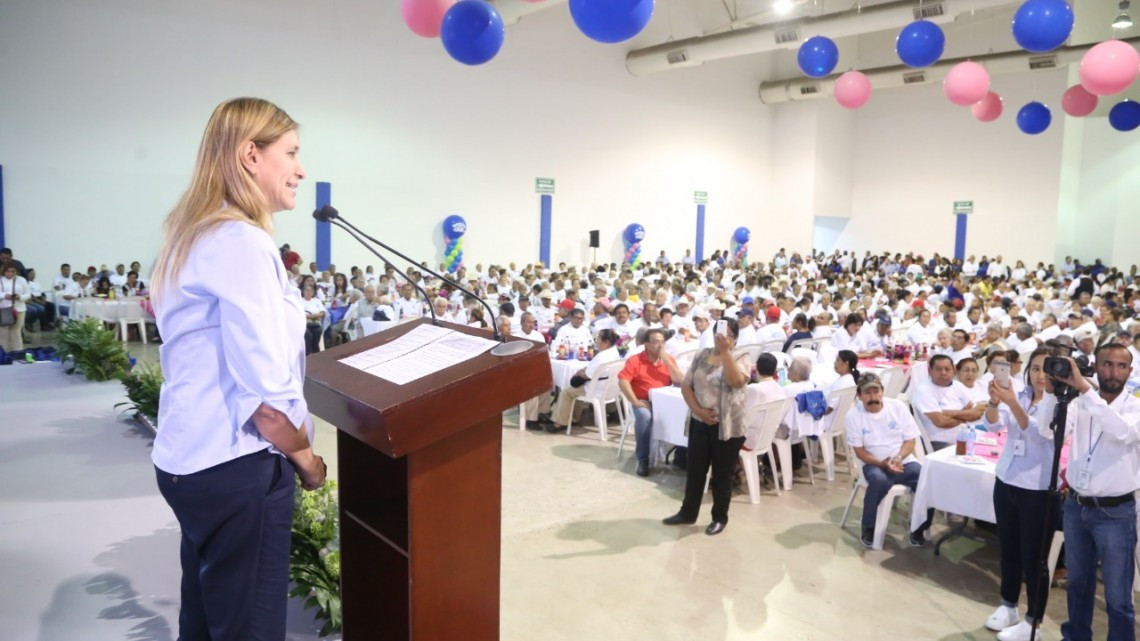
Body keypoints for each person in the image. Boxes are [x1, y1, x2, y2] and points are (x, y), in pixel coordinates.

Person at [148, 98, 326, 641]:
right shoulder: (241, 242)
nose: (301, 169)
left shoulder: (191, 233)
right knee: (248, 627)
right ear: (251, 155)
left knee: (206, 618)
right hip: (236, 464)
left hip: (188, 459)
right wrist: (309, 461)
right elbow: (268, 400)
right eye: (291, 153)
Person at [1049, 344, 1140, 641]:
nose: (1113, 372)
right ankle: (1075, 636)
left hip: (1115, 513)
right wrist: (1055, 394)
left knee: (1117, 596)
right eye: (1107, 364)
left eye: (1121, 366)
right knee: (1078, 584)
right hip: (1076, 505)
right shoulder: (1079, 401)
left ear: (1130, 370)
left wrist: (1086, 392)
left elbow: (1122, 432)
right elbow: (1049, 432)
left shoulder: (1135, 408)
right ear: (1095, 366)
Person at [982, 349, 1060, 641]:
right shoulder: (1023, 395)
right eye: (1035, 368)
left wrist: (1010, 401)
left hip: (1038, 489)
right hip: (1007, 479)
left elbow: (1039, 434)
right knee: (1008, 550)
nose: (1040, 376)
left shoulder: (1060, 403)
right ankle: (1008, 605)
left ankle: (1033, 622)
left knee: (1034, 559)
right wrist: (994, 401)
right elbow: (992, 424)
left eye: (1046, 370)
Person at [662, 318, 751, 536]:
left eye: (729, 334)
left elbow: (736, 381)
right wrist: (698, 411)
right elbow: (686, 386)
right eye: (721, 333)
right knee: (695, 470)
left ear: (735, 338)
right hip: (699, 421)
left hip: (728, 426)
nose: (724, 337)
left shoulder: (742, 356)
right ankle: (688, 512)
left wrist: (726, 353)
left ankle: (719, 517)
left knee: (722, 475)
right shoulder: (702, 355)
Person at [845, 372, 933, 548]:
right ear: (859, 395)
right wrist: (882, 464)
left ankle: (918, 527)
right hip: (873, 463)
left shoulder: (898, 407)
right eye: (867, 393)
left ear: (882, 391)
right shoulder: (853, 416)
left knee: (927, 480)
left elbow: (910, 440)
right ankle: (869, 526)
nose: (873, 397)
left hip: (903, 460)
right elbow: (860, 452)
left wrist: (899, 458)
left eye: (876, 392)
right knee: (878, 480)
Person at [617, 328, 684, 476]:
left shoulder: (668, 359)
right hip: (643, 400)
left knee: (685, 414)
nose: (660, 345)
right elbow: (623, 381)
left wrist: (669, 363)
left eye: (662, 342)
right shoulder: (635, 360)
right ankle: (643, 458)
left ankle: (682, 456)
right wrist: (634, 401)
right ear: (646, 344)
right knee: (644, 417)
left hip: (665, 402)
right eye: (655, 342)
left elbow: (681, 381)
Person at [548, 329, 621, 433]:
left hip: (596, 389)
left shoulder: (602, 356)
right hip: (610, 389)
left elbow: (587, 375)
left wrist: (579, 373)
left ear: (606, 342)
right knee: (575, 388)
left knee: (566, 392)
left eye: (598, 339)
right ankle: (573, 418)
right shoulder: (614, 351)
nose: (596, 341)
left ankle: (559, 423)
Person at [911, 354, 985, 450]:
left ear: (953, 370)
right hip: (939, 442)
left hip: (965, 437)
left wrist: (945, 412)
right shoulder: (924, 390)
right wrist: (966, 417)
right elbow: (941, 422)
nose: (943, 373)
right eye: (938, 369)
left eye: (947, 369)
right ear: (929, 371)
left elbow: (976, 414)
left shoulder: (958, 386)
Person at [0, 262, 30, 351]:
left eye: (13, 271)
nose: (10, 273)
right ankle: (3, 354)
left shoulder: (22, 280)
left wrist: (19, 297)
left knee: (16, 333)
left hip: (19, 309)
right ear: (3, 271)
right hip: (2, 309)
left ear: (17, 271)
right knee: (2, 333)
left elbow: (28, 294)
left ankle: (18, 352)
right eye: (8, 271)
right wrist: (4, 296)